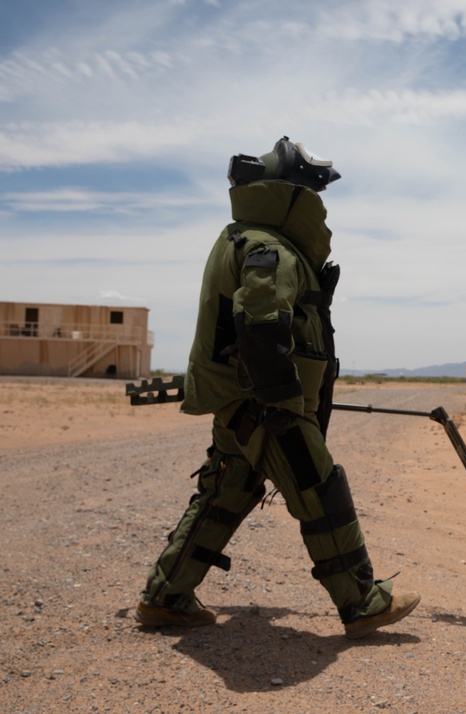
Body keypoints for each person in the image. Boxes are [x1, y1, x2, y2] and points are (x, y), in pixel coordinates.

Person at [134, 137, 419, 639]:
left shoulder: (241, 237)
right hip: (268, 405)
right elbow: (261, 324)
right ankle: (362, 600)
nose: (320, 203)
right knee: (320, 490)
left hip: (241, 403)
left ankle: (167, 596)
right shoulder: (270, 247)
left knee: (222, 495)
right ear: (290, 195)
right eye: (313, 191)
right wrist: (283, 403)